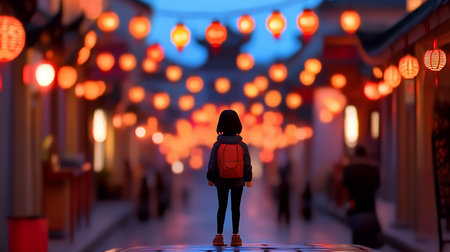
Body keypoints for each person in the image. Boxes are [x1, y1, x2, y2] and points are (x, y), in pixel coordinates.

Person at [207, 110, 253, 247]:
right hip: (238, 180)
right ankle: (236, 236)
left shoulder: (218, 145)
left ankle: (219, 236)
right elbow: (247, 164)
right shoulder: (241, 145)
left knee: (221, 206)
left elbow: (212, 164)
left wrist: (211, 178)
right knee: (235, 207)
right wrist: (248, 178)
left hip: (221, 180)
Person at [343, 145, 383, 248]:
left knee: (357, 242)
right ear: (366, 155)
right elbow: (377, 185)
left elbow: (345, 186)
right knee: (370, 242)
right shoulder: (373, 169)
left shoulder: (349, 169)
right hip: (370, 209)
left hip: (355, 210)